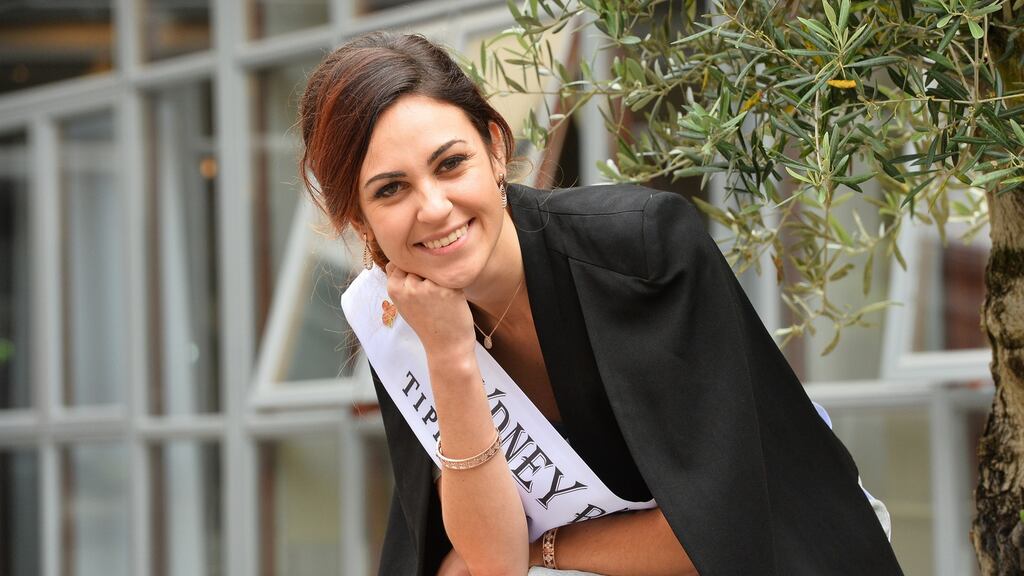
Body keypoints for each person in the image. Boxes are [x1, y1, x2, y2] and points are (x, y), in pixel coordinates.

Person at [298, 31, 903, 576]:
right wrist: (451, 355)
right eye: (392, 189)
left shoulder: (639, 249)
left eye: (450, 163)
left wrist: (547, 550)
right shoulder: (400, 324)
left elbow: (721, 532)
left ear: (496, 150)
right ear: (359, 219)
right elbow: (489, 563)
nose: (433, 208)